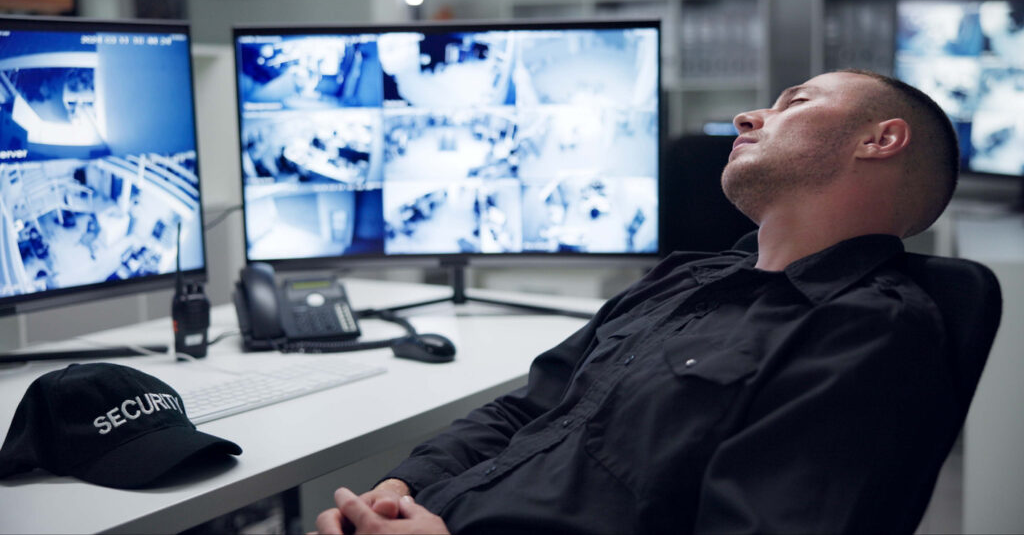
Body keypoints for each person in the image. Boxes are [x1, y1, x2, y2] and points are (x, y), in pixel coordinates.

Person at [315, 69, 962, 534]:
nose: (747, 116)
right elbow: (523, 411)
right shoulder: (683, 278)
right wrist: (398, 489)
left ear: (879, 140)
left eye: (796, 102)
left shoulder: (867, 329)